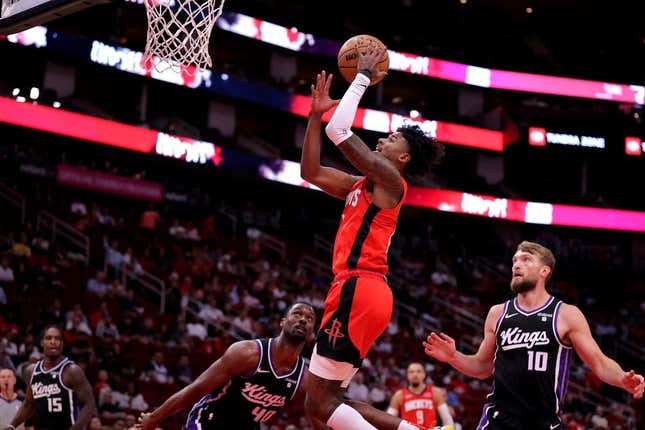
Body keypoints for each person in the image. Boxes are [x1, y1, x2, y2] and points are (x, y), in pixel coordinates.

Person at [300, 39, 444, 430]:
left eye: (392, 139)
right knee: (323, 405)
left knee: (322, 403)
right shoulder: (359, 185)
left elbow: (340, 128)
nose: (383, 139)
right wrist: (314, 116)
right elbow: (309, 172)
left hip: (360, 288)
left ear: (403, 158)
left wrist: (362, 75)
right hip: (359, 290)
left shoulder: (391, 181)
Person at [423, 241, 645, 430]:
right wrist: (454, 357)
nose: (517, 265)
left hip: (543, 421)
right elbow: (482, 367)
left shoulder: (566, 314)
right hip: (498, 419)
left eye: (526, 259)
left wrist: (623, 379)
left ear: (544, 271)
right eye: (514, 261)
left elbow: (599, 362)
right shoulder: (498, 313)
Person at [136, 303, 316, 430]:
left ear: (311, 334)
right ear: (283, 322)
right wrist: (154, 418)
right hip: (210, 421)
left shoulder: (303, 378)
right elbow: (196, 388)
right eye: (297, 314)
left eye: (309, 318)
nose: (303, 320)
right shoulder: (247, 353)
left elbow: (321, 414)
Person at [4, 324, 97, 430]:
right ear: (42, 342)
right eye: (49, 338)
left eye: (58, 339)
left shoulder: (72, 370)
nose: (53, 342)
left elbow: (89, 403)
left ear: (62, 344)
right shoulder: (31, 371)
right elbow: (29, 403)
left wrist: (77, 427)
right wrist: (12, 426)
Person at [387, 363, 454, 428]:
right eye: (411, 372)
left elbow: (447, 418)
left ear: (424, 374)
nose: (415, 374)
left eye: (419, 371)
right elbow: (389, 420)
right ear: (407, 375)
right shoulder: (399, 395)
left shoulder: (435, 392)